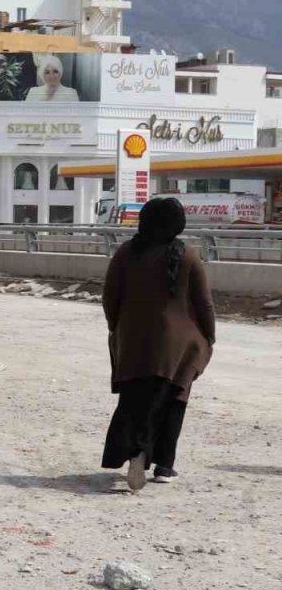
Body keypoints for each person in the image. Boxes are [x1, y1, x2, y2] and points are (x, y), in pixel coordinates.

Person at [101, 198, 215, 490]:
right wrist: (208, 339)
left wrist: (118, 328)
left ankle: (136, 451)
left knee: (133, 400)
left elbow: (110, 297)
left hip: (134, 341)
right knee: (174, 400)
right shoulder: (188, 255)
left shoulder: (127, 252)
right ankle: (164, 466)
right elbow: (204, 304)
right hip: (179, 346)